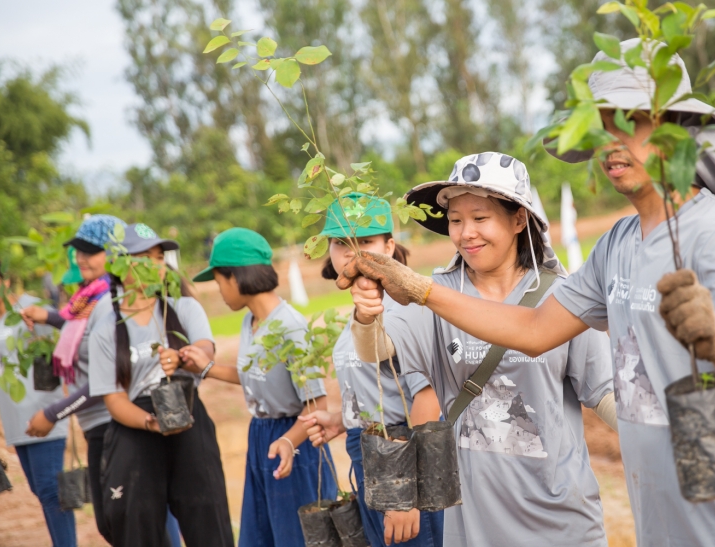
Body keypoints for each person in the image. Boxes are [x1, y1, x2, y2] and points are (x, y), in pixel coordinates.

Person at [339, 41, 715, 546]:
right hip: (662, 516)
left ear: (674, 130)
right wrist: (418, 289)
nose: (610, 145)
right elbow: (535, 329)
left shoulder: (714, 234)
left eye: (628, 123)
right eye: (600, 130)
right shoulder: (617, 245)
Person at [345, 156, 617, 547]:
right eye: (455, 220)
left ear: (519, 219)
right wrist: (366, 316)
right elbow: (377, 350)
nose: (466, 233)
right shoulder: (434, 296)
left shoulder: (560, 296)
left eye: (480, 218)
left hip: (563, 520)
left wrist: (659, 442)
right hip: (474, 524)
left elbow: (603, 392)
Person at [174, 227, 336, 547]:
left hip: (295, 440)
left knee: (296, 537)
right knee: (261, 535)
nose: (220, 292)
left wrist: (288, 441)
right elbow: (256, 373)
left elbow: (316, 404)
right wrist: (205, 368)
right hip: (262, 435)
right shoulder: (250, 322)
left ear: (236, 278)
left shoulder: (290, 326)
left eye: (219, 282)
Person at [298, 194, 445, 547]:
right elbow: (384, 392)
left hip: (401, 456)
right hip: (368, 453)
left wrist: (405, 492)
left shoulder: (404, 309)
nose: (353, 252)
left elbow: (428, 399)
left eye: (365, 241)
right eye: (341, 242)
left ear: (389, 247)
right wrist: (342, 420)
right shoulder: (361, 314)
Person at [88, 223, 233, 546]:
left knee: (207, 515)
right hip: (136, 426)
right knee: (136, 522)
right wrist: (150, 422)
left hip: (188, 415)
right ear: (119, 266)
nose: (155, 264)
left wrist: (183, 358)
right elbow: (114, 400)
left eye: (158, 257)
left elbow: (206, 349)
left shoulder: (182, 306)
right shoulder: (106, 328)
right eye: (145, 257)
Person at [21, 214, 126, 543]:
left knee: (127, 523)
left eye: (90, 251)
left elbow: (106, 380)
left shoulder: (109, 302)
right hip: (97, 425)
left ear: (115, 254)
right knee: (114, 524)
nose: (81, 258)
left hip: (114, 425)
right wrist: (48, 316)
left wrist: (54, 413)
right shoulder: (88, 299)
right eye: (79, 250)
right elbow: (79, 331)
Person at [0, 260, 75, 546]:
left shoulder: (32, 308)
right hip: (15, 422)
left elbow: (66, 343)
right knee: (41, 492)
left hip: (43, 415)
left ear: (5, 281)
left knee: (51, 491)